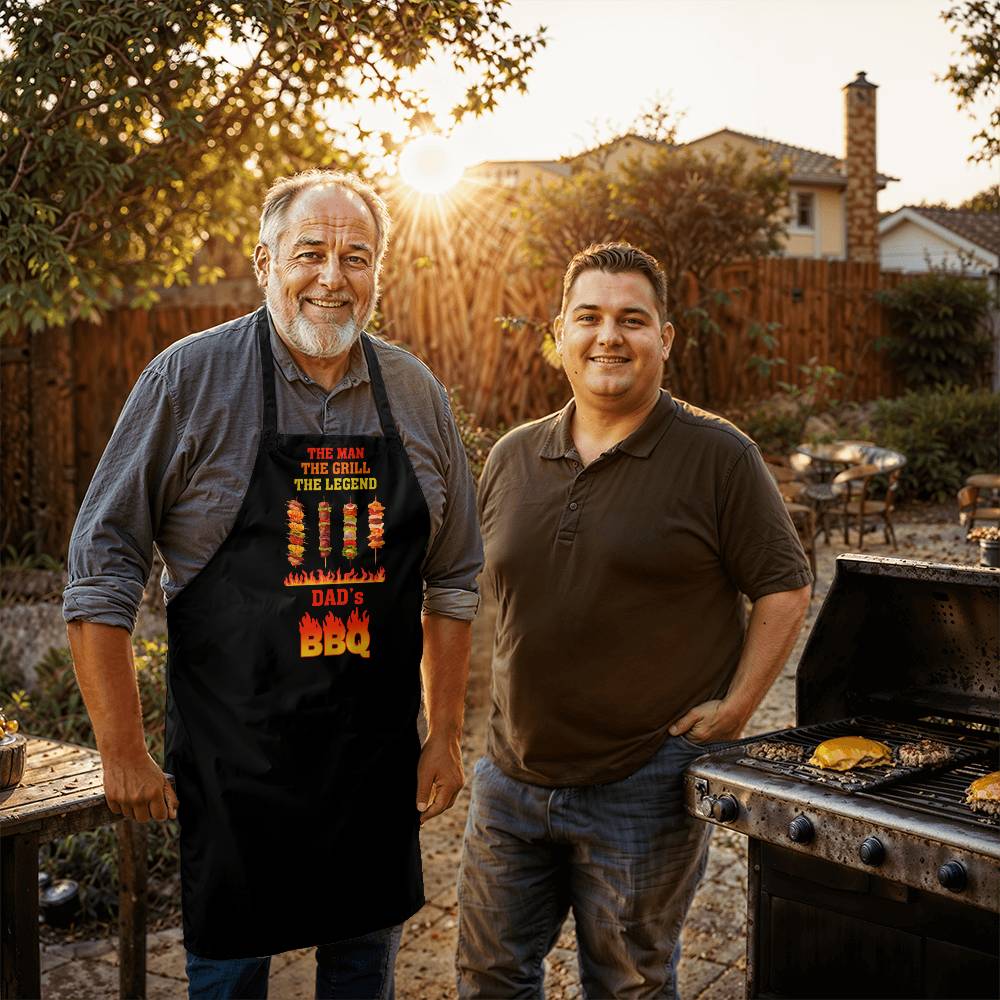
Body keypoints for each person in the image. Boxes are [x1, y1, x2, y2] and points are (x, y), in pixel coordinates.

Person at [64, 169, 483, 999]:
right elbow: (102, 563)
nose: (333, 278)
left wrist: (444, 733)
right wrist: (121, 749)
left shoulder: (415, 393)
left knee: (363, 975)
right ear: (264, 263)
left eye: (356, 257)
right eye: (311, 253)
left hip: (370, 774)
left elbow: (455, 574)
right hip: (234, 776)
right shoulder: (187, 383)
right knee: (228, 982)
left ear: (378, 274)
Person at [457, 242, 812, 999]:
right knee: (489, 978)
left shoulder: (719, 457)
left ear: (665, 339)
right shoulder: (514, 457)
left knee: (629, 985)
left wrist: (739, 706)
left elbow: (785, 586)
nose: (608, 336)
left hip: (642, 783)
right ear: (559, 334)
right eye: (588, 317)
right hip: (509, 777)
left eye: (631, 319)